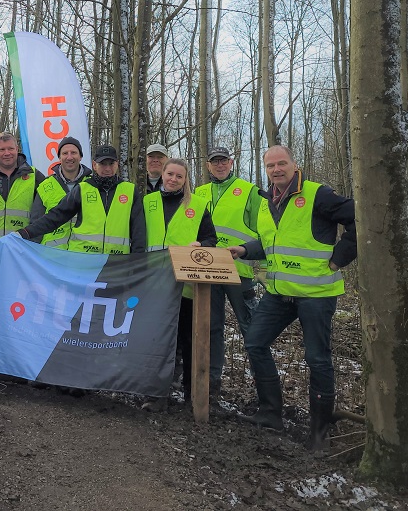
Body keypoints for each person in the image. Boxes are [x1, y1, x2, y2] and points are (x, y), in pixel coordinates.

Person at [228, 145, 356, 451]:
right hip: (279, 293)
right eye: (270, 165)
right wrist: (245, 250)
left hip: (315, 294)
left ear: (294, 164)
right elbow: (273, 243)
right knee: (255, 342)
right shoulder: (265, 200)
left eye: (281, 163)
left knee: (317, 358)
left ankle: (319, 432)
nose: (276, 169)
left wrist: (340, 257)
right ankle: (271, 413)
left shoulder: (317, 194)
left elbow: (358, 218)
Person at [141, 158, 217, 412]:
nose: (173, 179)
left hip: (185, 287)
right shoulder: (147, 202)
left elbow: (210, 238)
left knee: (188, 340)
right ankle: (157, 394)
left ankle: (191, 396)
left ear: (186, 180)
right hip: (155, 285)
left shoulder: (197, 205)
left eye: (179, 176)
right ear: (162, 174)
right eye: (169, 174)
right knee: (160, 342)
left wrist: (201, 246)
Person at [193, 146, 260, 396]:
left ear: (231, 163)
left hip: (239, 270)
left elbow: (262, 231)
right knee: (211, 327)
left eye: (223, 161)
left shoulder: (249, 191)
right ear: (208, 166)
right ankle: (211, 381)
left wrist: (261, 265)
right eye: (214, 162)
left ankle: (261, 382)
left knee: (250, 327)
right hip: (206, 270)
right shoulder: (198, 193)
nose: (219, 165)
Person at [18, 144, 146, 254]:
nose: (107, 169)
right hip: (83, 264)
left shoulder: (130, 190)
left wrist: (135, 267)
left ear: (117, 164)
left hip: (116, 264)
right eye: (102, 164)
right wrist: (24, 233)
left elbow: (138, 233)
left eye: (111, 164)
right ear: (94, 165)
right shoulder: (82, 189)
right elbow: (55, 216)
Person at [0, 132, 45, 277]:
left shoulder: (34, 176)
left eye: (10, 149)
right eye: (2, 149)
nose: (7, 153)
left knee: (22, 297)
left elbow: (44, 214)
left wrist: (33, 241)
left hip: (24, 251)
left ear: (17, 149)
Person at [29, 136, 92, 249]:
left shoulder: (92, 185)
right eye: (65, 153)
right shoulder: (45, 186)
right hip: (52, 258)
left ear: (81, 156)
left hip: (84, 257)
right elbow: (36, 224)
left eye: (74, 152)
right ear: (59, 157)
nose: (69, 157)